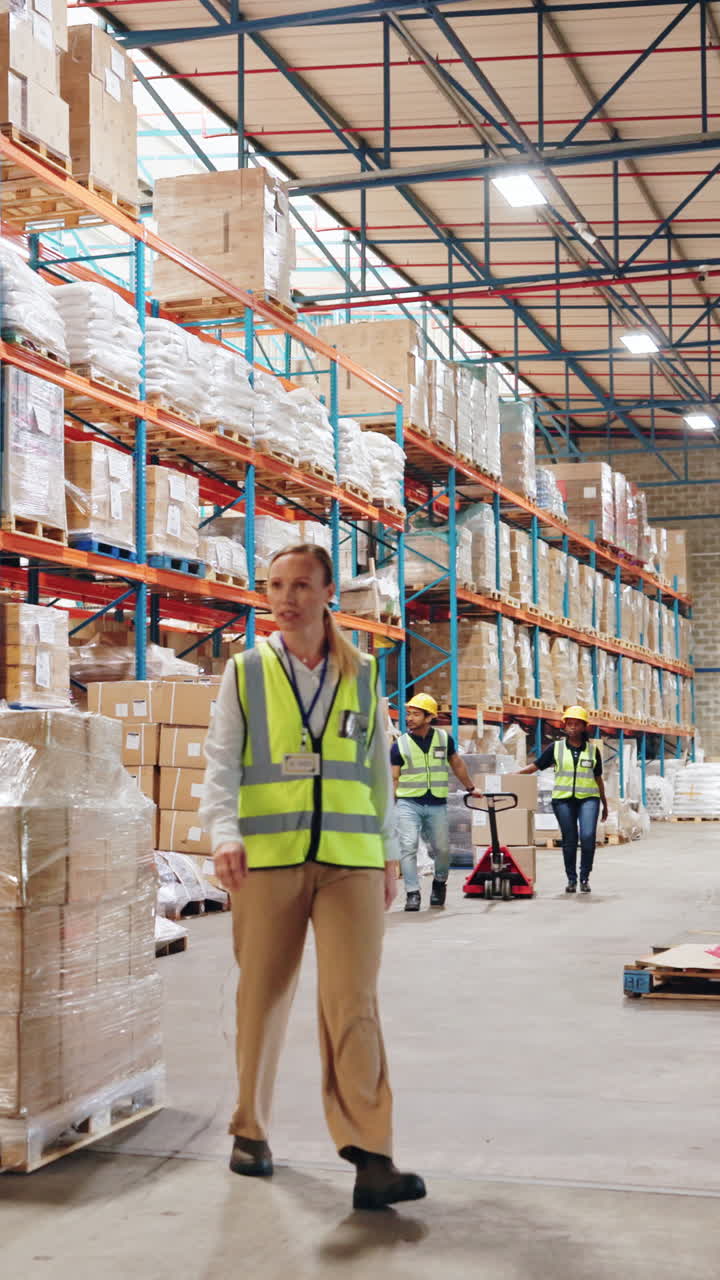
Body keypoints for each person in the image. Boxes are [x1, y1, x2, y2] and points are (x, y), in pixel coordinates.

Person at [201, 542, 426, 1212]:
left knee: (352, 1001)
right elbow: (221, 762)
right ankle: (250, 1129)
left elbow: (379, 773)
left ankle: (372, 1153)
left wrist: (389, 853)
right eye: (276, 585)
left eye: (302, 585)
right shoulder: (244, 672)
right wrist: (223, 833)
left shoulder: (363, 675)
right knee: (262, 995)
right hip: (267, 859)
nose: (287, 597)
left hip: (351, 861)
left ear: (330, 592)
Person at [391, 692, 479, 912]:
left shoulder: (443, 739)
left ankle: (439, 883)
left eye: (415, 714)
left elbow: (457, 764)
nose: (409, 718)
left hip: (436, 803)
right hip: (408, 803)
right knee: (408, 846)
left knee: (442, 850)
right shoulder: (399, 745)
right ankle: (412, 893)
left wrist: (471, 787)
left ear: (429, 717)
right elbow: (394, 777)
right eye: (408, 714)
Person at [519, 705, 608, 894]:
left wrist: (605, 804)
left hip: (589, 799)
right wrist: (512, 775)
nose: (572, 727)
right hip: (563, 800)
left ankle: (585, 877)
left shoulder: (593, 751)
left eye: (577, 724)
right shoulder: (556, 748)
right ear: (565, 726)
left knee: (587, 837)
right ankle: (571, 879)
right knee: (569, 839)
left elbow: (598, 778)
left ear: (584, 726)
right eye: (569, 724)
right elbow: (535, 766)